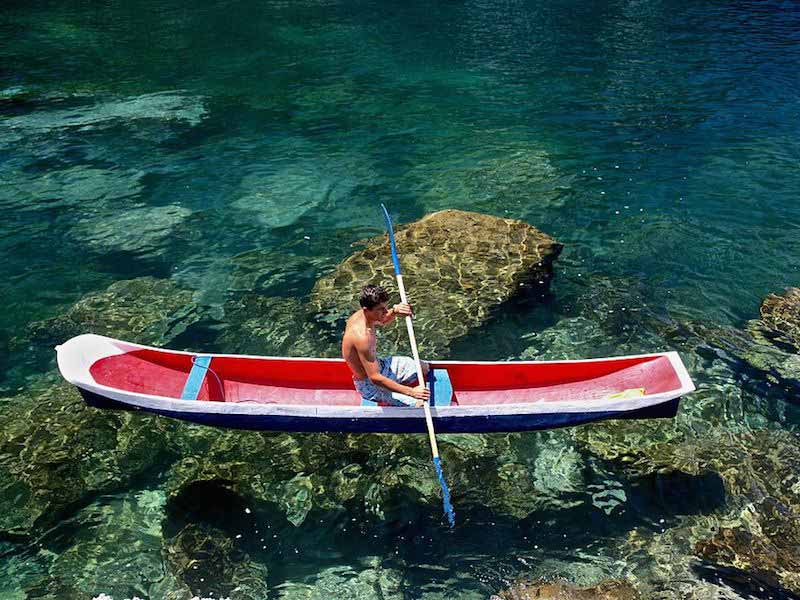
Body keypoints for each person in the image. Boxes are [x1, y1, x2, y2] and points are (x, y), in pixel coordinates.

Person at [342, 284, 430, 407]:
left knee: (423, 367)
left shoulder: (366, 314)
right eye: (381, 309)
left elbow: (383, 320)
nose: (385, 311)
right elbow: (375, 378)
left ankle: (399, 386)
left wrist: (395, 311)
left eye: (385, 307)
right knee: (420, 405)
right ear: (367, 310)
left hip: (381, 367)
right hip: (371, 385)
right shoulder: (362, 337)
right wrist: (412, 392)